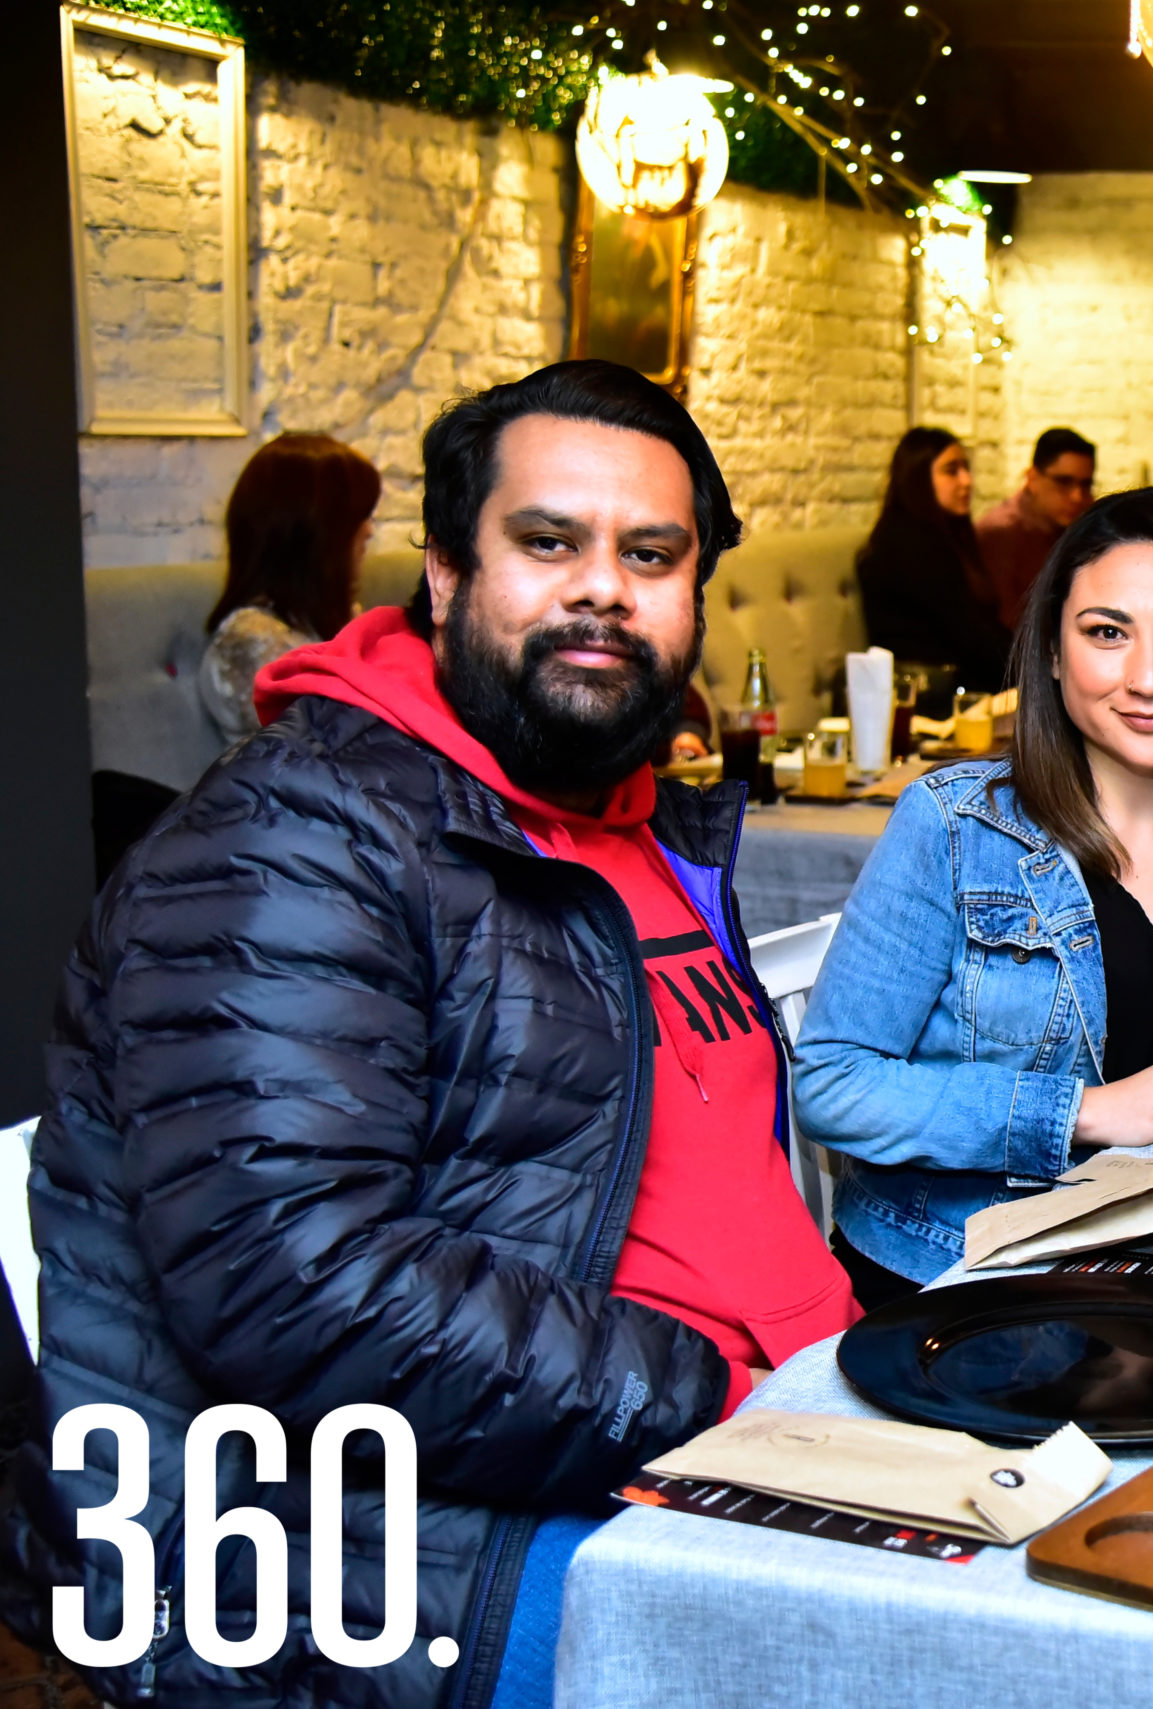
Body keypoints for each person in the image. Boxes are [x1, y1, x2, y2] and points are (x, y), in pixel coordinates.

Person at [6, 361, 862, 1709]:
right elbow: (287, 1278)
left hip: (757, 1463)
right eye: (547, 542)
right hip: (410, 1559)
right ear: (448, 578)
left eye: (651, 554)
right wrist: (719, 1398)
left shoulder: (636, 822)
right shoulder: (296, 838)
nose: (602, 587)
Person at [793, 487, 1153, 1288]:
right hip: (959, 1271)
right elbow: (832, 1083)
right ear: (1052, 652)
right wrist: (1082, 1110)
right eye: (1107, 633)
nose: (1148, 677)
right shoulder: (954, 826)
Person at [198, 432, 381, 742]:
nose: (369, 530)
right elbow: (331, 751)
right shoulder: (252, 643)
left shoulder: (326, 621)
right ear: (315, 533)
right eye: (356, 517)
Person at [856, 425, 1014, 691]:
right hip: (930, 693)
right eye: (952, 470)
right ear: (919, 478)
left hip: (960, 681)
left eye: (966, 469)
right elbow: (969, 634)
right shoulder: (910, 544)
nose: (967, 481)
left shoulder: (944, 536)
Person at [976, 426, 1098, 628]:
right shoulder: (1001, 533)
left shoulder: (1079, 527)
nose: (1077, 496)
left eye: (1085, 485)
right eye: (1063, 482)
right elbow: (1005, 625)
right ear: (1032, 478)